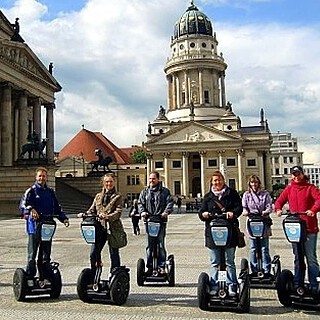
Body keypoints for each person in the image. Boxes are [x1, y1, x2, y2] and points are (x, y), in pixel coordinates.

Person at [19, 167, 69, 285]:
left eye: (44, 176)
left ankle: (45, 276)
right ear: (36, 177)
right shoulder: (31, 191)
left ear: (46, 177)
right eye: (40, 176)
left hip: (47, 227)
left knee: (46, 254)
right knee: (32, 254)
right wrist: (31, 209)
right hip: (34, 227)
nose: (42, 178)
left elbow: (56, 208)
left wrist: (64, 218)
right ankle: (30, 277)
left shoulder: (50, 192)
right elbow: (23, 205)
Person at [275, 165, 320, 293]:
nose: (296, 176)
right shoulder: (289, 188)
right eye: (294, 174)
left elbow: (319, 200)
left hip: (309, 228)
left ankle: (314, 284)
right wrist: (278, 209)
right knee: (298, 257)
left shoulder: (310, 188)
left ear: (302, 174)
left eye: (298, 174)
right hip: (295, 228)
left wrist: (313, 210)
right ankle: (297, 283)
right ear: (291, 176)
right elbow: (279, 201)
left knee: (310, 257)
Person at [199, 170, 243, 297]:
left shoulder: (232, 193)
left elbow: (239, 208)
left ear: (223, 180)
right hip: (213, 233)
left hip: (229, 232)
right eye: (214, 180)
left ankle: (231, 285)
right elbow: (201, 211)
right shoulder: (208, 196)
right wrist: (204, 214)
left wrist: (233, 213)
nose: (217, 182)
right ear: (211, 182)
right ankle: (214, 285)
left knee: (229, 261)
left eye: (219, 180)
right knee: (214, 261)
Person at [78, 172, 124, 273]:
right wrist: (84, 214)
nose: (109, 184)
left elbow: (118, 212)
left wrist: (107, 217)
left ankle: (115, 273)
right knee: (93, 253)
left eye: (111, 181)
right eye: (107, 182)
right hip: (99, 228)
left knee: (113, 253)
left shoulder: (118, 196)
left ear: (114, 182)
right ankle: (94, 272)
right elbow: (92, 209)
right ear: (103, 183)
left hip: (113, 228)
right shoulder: (98, 196)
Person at [138, 171, 174, 274]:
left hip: (161, 221)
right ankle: (150, 266)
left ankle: (162, 266)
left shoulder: (165, 191)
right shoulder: (145, 191)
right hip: (149, 221)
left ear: (158, 179)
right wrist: (142, 212)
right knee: (149, 245)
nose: (151, 181)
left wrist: (166, 212)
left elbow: (170, 202)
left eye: (153, 179)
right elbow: (140, 202)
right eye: (150, 179)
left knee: (160, 244)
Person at [242, 175, 273, 277]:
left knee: (264, 248)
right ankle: (254, 270)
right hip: (252, 222)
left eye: (256, 182)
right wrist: (246, 212)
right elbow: (244, 207)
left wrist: (266, 211)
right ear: (249, 184)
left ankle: (266, 269)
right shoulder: (247, 195)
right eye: (252, 183)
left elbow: (269, 206)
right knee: (253, 248)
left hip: (263, 221)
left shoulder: (265, 194)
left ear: (259, 183)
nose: (254, 185)